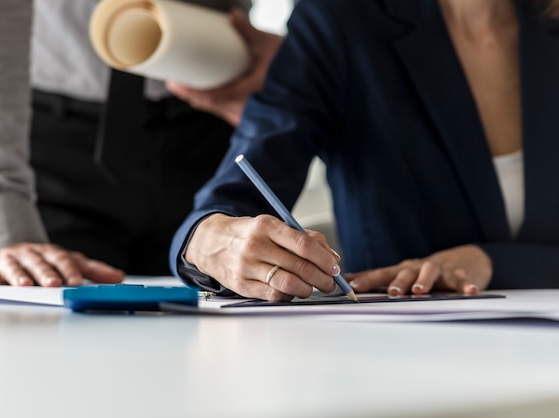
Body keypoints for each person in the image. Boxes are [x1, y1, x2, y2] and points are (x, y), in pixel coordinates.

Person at [170, 0, 559, 302]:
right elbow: (239, 187)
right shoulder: (340, 18)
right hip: (391, 363)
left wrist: (493, 262)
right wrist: (208, 240)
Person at [0, 0, 282, 287]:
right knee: (58, 345)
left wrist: (298, 61)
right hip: (54, 152)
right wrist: (5, 223)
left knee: (226, 338)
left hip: (219, 128)